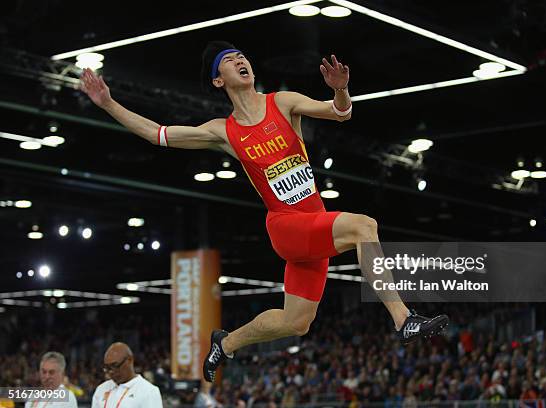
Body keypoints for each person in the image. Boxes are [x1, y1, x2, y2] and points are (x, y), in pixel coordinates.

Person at [79, 41, 449, 383]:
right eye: (229, 60)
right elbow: (156, 134)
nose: (240, 60)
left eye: (241, 55)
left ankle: (226, 342)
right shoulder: (222, 130)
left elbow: (340, 113)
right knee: (364, 226)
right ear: (217, 79)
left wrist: (340, 88)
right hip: (287, 226)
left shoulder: (283, 103)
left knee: (297, 322)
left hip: (313, 223)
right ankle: (403, 319)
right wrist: (109, 103)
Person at [91, 342, 163, 408]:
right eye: (108, 368)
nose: (111, 372)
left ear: (130, 360)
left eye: (115, 365)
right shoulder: (101, 389)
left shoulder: (149, 391)